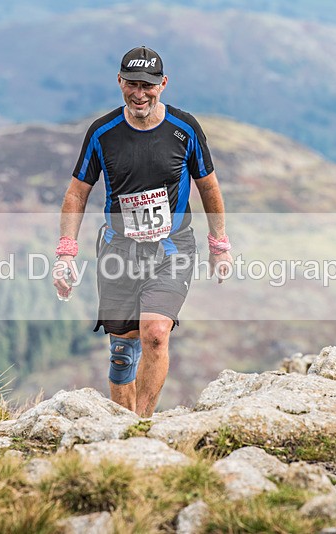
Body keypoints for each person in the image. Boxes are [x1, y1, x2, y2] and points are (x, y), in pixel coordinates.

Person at [53, 46, 232, 417]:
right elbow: (76, 192)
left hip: (172, 247)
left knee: (154, 333)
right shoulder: (102, 133)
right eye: (132, 84)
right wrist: (66, 252)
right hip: (119, 249)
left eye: (148, 85)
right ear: (119, 82)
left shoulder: (185, 130)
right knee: (122, 351)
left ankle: (142, 426)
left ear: (163, 84)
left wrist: (219, 245)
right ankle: (123, 425)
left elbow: (209, 187)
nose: (139, 93)